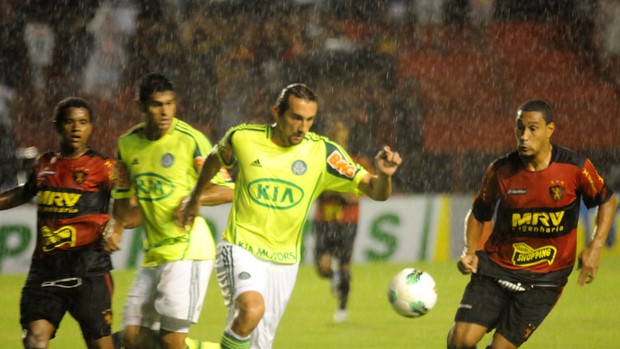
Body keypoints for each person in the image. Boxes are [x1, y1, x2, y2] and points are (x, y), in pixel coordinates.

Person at [181, 83, 402, 349]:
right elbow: (215, 158)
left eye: (309, 120)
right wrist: (195, 198)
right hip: (240, 247)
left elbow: (375, 191)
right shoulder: (243, 138)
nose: (303, 127)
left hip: (284, 263)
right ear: (276, 112)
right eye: (296, 117)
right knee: (252, 310)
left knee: (257, 344)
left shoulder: (323, 153)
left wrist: (385, 176)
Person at [447, 99, 618, 349]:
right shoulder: (500, 171)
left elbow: (607, 201)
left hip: (545, 280)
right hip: (497, 269)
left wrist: (595, 246)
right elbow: (478, 213)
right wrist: (469, 251)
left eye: (533, 129)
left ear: (550, 129)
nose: (524, 136)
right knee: (459, 342)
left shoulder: (575, 168)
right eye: (519, 128)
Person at [103, 73, 233, 349]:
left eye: (170, 103)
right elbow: (124, 197)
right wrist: (115, 227)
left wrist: (194, 198)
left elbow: (228, 189)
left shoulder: (191, 139)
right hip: (154, 254)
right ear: (140, 105)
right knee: (131, 337)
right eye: (156, 104)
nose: (164, 112)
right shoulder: (127, 145)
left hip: (188, 252)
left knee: (171, 342)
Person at [0, 97, 116, 349]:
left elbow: (131, 201)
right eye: (69, 122)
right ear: (57, 126)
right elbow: (25, 191)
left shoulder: (104, 167)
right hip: (46, 269)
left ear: (91, 127)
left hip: (89, 271)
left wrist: (118, 226)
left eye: (83, 122)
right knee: (35, 339)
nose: (76, 128)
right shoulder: (44, 165)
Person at [312, 119, 374, 323]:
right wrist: (338, 190)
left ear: (346, 139)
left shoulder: (356, 163)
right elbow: (312, 191)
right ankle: (334, 278)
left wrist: (332, 190)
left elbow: (357, 196)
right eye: (334, 133)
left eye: (341, 134)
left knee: (345, 265)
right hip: (324, 220)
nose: (338, 137)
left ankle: (342, 308)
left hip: (347, 222)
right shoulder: (319, 161)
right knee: (322, 267)